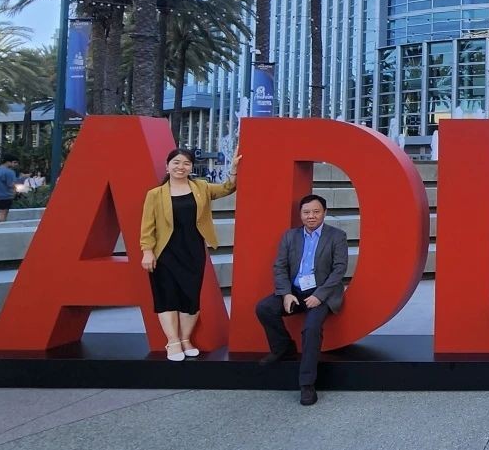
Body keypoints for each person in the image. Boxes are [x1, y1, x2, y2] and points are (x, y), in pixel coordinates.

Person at [139, 148, 240, 362]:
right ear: (167, 166)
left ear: (191, 167)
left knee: (191, 296)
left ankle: (185, 339)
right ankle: (173, 341)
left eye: (186, 163)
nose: (181, 167)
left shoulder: (201, 187)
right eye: (176, 162)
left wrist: (233, 169)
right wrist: (147, 251)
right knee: (167, 297)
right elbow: (147, 226)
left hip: (193, 251)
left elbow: (227, 188)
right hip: (165, 253)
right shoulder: (155, 194)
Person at [254, 194, 348, 406]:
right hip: (295, 291)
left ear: (324, 213)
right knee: (264, 308)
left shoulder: (337, 236)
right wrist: (286, 293)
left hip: (321, 293)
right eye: (306, 212)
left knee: (311, 329)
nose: (311, 216)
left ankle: (307, 384)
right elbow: (280, 266)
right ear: (300, 214)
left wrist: (319, 296)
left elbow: (339, 270)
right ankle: (284, 348)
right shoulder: (290, 236)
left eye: (316, 212)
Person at [0, 155, 21, 223]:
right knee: (4, 213)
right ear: (8, 162)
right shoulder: (9, 172)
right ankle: (0, 227)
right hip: (5, 195)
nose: (16, 164)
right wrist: (15, 193)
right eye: (14, 162)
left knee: (1, 211)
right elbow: (11, 185)